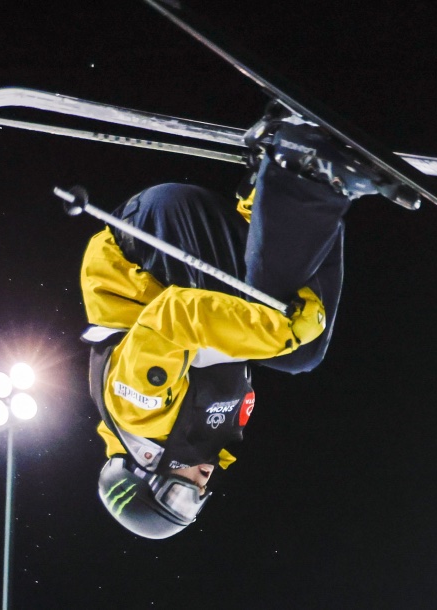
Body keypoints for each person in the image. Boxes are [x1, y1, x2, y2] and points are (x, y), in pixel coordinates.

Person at [79, 106, 383, 538]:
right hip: (177, 251)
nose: (200, 487)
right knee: (295, 345)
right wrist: (279, 332)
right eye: (196, 503)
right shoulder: (210, 433)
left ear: (144, 468)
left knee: (289, 340)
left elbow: (175, 315)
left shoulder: (137, 410)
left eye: (178, 496)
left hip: (146, 239)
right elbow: (225, 321)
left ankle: (305, 173)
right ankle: (282, 183)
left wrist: (276, 332)